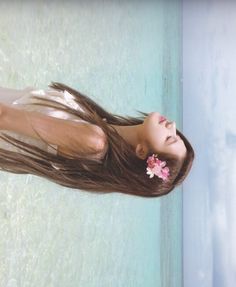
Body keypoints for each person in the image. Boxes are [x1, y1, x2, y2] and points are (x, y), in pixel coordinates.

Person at [0, 82, 195, 197]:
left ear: (142, 152)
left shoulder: (93, 142)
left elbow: (4, 118)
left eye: (170, 139)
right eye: (176, 134)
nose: (173, 125)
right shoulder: (99, 125)